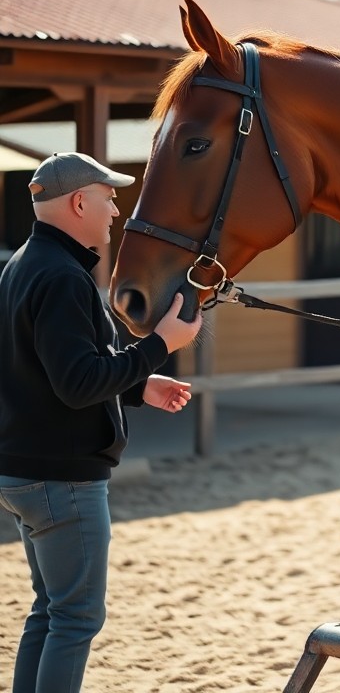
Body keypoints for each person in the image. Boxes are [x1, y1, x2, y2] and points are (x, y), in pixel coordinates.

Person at [0, 152, 202, 693]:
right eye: (109, 197)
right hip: (62, 479)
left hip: (27, 473)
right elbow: (78, 382)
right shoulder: (62, 276)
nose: (116, 209)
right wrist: (160, 346)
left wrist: (137, 385)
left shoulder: (23, 264)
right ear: (79, 201)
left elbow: (46, 369)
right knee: (76, 619)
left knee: (50, 612)